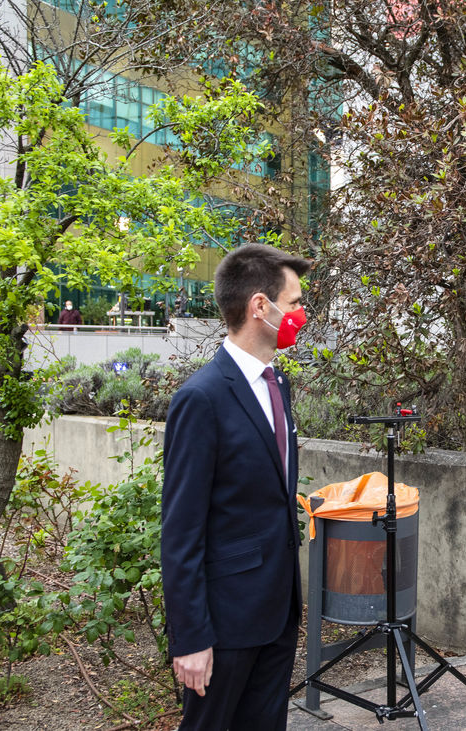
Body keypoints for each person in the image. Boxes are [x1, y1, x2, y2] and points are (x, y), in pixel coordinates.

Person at [160, 243, 311, 730]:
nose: (300, 315)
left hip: (276, 613)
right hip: (225, 624)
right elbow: (181, 530)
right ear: (259, 307)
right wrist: (189, 638)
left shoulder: (276, 384)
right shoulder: (201, 398)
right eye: (293, 303)